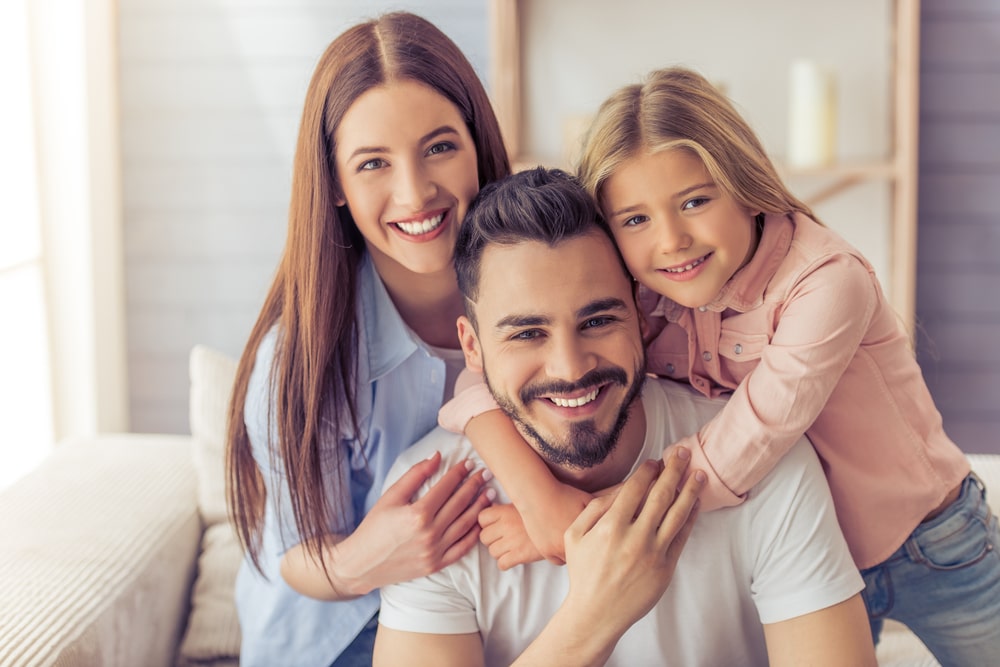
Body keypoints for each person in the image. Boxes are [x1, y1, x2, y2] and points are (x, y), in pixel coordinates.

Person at [440, 67, 1000, 665]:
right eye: (635, 220)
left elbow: (749, 439)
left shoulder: (825, 283)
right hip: (816, 544)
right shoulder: (650, 293)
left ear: (744, 183)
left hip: (929, 538)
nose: (672, 239)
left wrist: (587, 523)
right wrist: (538, 498)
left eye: (696, 201)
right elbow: (489, 374)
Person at [374, 167, 876, 667]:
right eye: (527, 334)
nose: (570, 367)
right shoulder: (437, 509)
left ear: (640, 314)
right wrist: (595, 617)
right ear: (473, 347)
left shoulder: (767, 469)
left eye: (597, 320)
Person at [223, 12, 512, 666]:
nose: (415, 193)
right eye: (374, 163)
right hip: (330, 637)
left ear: (479, 146)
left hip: (482, 613)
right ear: (335, 185)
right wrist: (365, 561)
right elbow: (293, 552)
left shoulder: (537, 288)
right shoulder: (296, 360)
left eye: (440, 147)